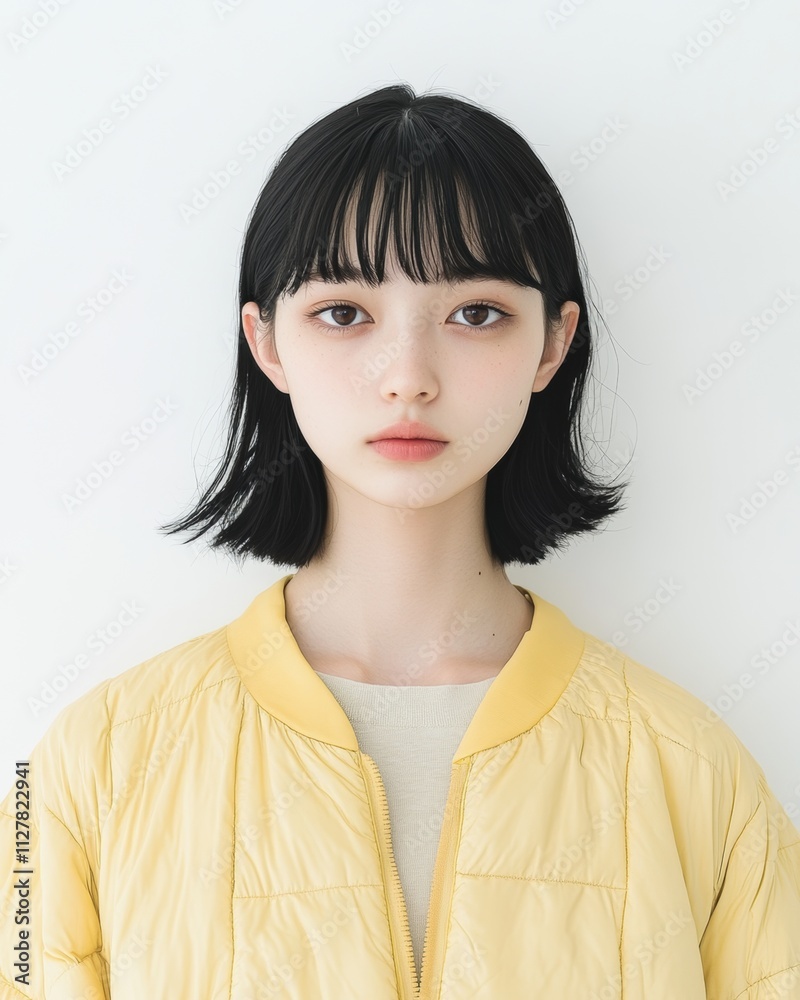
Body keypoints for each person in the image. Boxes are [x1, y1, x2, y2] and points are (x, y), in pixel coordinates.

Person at [2, 83, 799, 999]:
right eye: (343, 312)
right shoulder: (88, 770)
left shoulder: (691, 773)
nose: (408, 377)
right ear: (267, 345)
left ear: (553, 344)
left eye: (476, 313)